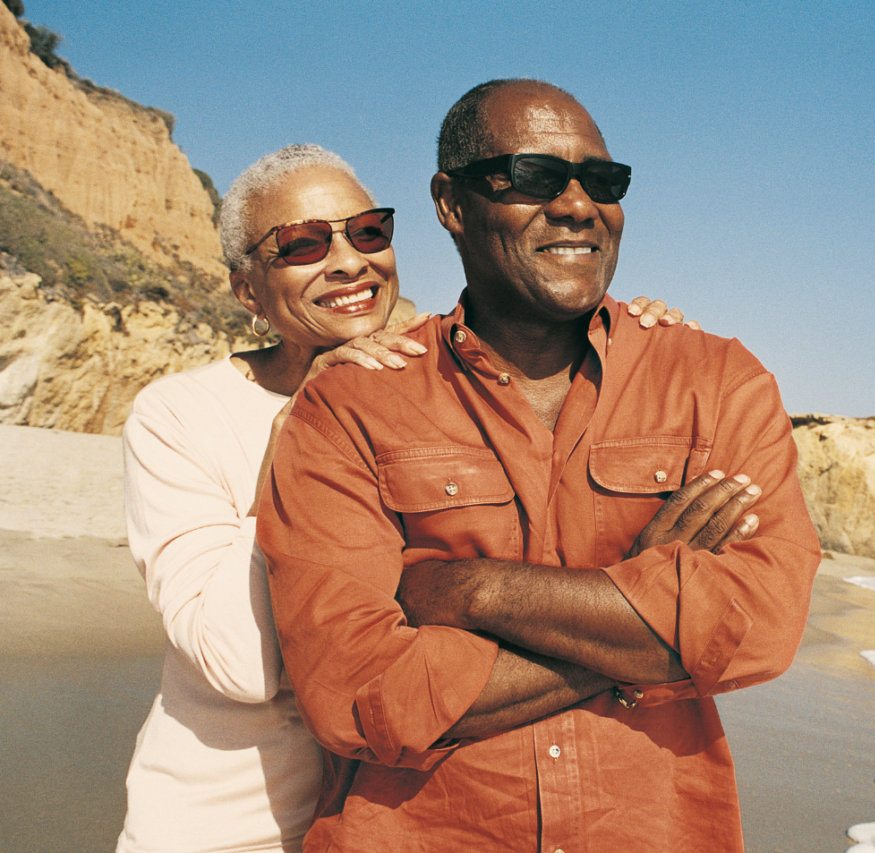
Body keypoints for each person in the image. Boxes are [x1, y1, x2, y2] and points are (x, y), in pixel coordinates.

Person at [259, 80, 821, 852]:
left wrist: (472, 590)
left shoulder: (716, 383)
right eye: (535, 177)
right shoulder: (350, 407)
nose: (578, 205)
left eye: (604, 181)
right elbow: (358, 690)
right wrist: (650, 611)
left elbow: (758, 626)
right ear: (450, 203)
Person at [116, 142, 691, 853]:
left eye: (368, 232)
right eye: (301, 244)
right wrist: (303, 428)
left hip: (388, 822)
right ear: (247, 292)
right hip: (227, 827)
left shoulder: (440, 387)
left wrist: (628, 337)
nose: (350, 259)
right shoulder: (180, 415)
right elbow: (239, 663)